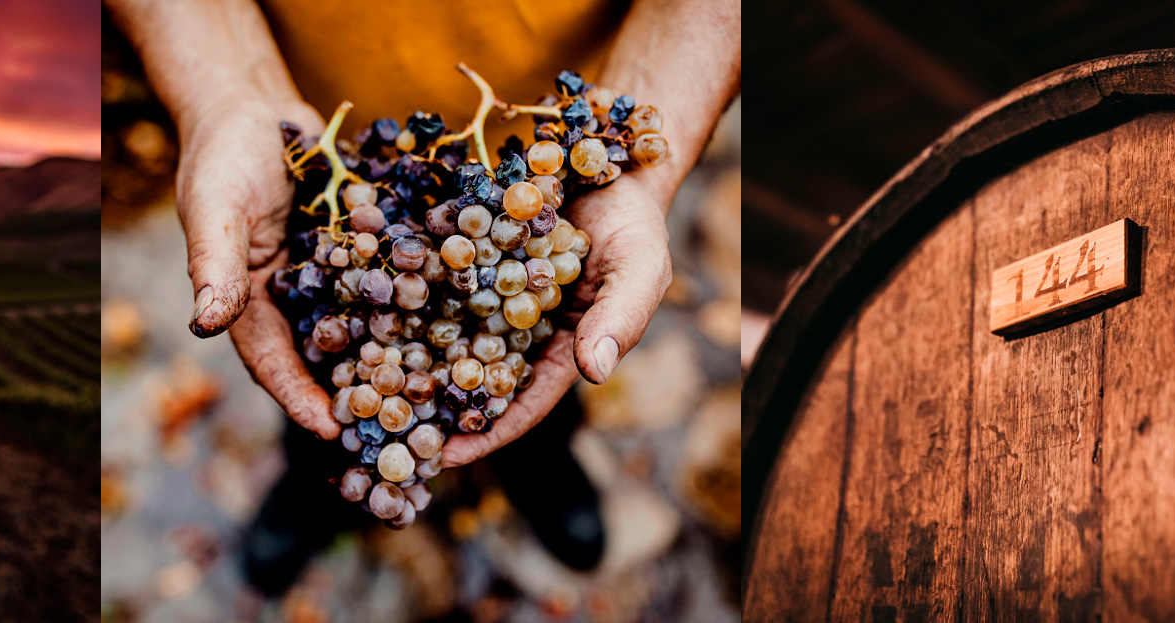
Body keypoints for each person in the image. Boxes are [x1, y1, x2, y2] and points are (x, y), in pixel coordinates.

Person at [107, 0, 740, 596]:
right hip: (307, 133)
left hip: (551, 173)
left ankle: (542, 469)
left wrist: (651, 147)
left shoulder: (530, 219)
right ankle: (314, 484)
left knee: (545, 350)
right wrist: (222, 94)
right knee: (320, 366)